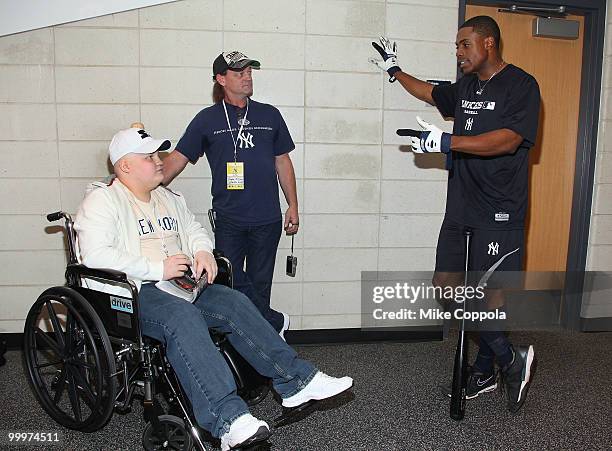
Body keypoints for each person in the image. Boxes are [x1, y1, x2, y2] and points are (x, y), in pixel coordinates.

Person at [74, 126, 353, 450]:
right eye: (149, 157)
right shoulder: (102, 201)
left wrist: (203, 251)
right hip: (133, 293)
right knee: (182, 318)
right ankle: (228, 420)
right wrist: (156, 268)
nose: (160, 161)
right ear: (125, 166)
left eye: (158, 154)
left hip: (179, 285)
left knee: (234, 303)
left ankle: (297, 382)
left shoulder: (168, 198)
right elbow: (95, 255)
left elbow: (193, 230)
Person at [369, 15, 540, 413]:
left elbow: (508, 140)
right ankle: (509, 358)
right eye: (457, 46)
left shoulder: (521, 85)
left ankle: (484, 371)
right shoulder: (465, 87)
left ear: (489, 44)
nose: (459, 52)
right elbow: (429, 92)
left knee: (489, 294)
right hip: (461, 205)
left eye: (465, 45)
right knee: (446, 285)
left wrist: (447, 140)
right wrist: (395, 69)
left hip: (499, 209)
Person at [162, 51, 298, 337]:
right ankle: (272, 325)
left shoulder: (269, 115)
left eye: (250, 72)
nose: (247, 77)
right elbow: (177, 158)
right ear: (221, 79)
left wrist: (293, 205)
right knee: (229, 281)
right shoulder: (206, 120)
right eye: (240, 73)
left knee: (261, 283)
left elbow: (282, 161)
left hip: (267, 218)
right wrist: (144, 182)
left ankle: (259, 343)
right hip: (229, 220)